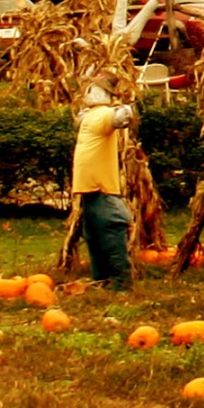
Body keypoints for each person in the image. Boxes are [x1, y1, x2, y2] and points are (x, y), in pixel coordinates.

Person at [70, 80, 136, 287]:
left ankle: (121, 285)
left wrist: (125, 106)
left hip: (102, 190)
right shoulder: (90, 116)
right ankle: (101, 282)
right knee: (94, 238)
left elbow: (122, 118)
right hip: (90, 191)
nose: (89, 93)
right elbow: (80, 118)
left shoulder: (103, 115)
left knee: (109, 233)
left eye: (93, 89)